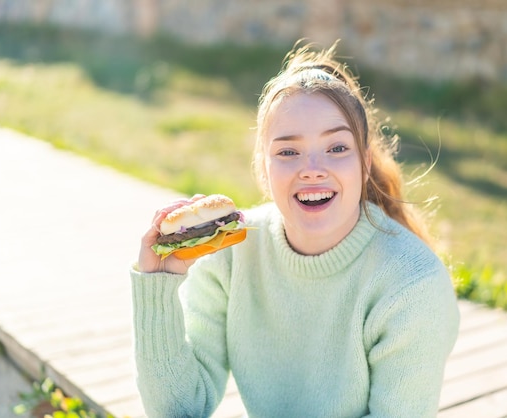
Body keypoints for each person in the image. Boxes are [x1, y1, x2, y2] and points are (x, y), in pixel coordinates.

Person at [132, 41, 460, 418]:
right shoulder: (230, 254)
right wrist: (156, 286)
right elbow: (178, 409)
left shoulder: (413, 283)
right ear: (262, 167)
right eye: (288, 152)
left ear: (365, 164)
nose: (312, 168)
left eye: (337, 148)